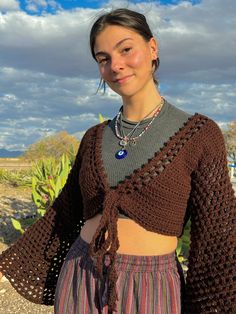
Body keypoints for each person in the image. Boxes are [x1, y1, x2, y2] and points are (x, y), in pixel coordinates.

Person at [0, 7, 235, 314]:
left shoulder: (199, 134)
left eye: (126, 49)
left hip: (153, 288)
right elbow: (64, 213)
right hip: (80, 276)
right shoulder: (94, 137)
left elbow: (218, 232)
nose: (116, 65)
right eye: (103, 58)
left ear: (152, 48)